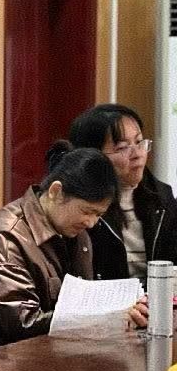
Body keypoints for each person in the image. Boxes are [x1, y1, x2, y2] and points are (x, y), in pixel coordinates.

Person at [0, 143, 124, 345]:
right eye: (86, 211)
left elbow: (82, 300)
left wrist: (123, 310)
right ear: (56, 191)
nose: (91, 223)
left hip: (61, 348)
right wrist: (102, 318)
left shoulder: (75, 231)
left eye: (98, 215)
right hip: (6, 355)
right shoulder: (5, 238)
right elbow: (22, 325)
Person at [69, 104, 177, 284]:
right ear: (92, 157)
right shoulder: (80, 208)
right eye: (122, 147)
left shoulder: (162, 198)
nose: (138, 154)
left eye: (139, 142)